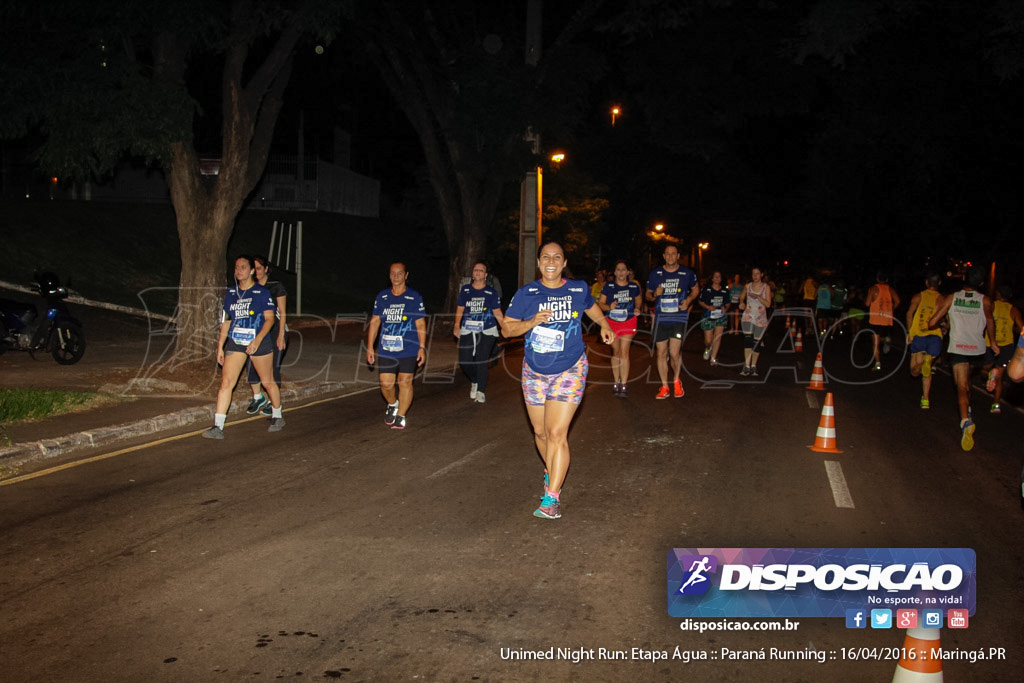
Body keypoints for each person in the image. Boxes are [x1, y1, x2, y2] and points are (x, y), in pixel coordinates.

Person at [502, 242, 615, 520]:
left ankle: (551, 498)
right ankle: (551, 469)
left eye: (557, 257)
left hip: (570, 368)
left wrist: (605, 325)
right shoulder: (527, 293)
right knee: (540, 433)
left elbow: (591, 309)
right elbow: (506, 328)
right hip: (535, 371)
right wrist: (531, 322)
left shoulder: (577, 289)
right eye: (545, 257)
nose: (551, 261)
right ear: (539, 263)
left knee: (556, 434)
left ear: (564, 263)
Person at [203, 255, 284, 439]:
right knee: (226, 383)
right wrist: (220, 348)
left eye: (243, 267)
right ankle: (218, 426)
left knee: (267, 382)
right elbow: (226, 322)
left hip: (259, 341)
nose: (239, 270)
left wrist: (257, 340)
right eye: (236, 267)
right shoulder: (231, 294)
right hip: (236, 342)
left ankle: (277, 415)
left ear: (252, 270)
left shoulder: (261, 293)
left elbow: (270, 320)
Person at [928, 267, 997, 452]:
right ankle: (991, 372)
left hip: (958, 347)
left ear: (964, 279)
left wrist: (944, 323)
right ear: (981, 283)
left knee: (961, 387)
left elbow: (932, 322)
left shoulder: (952, 298)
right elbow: (990, 321)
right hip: (977, 349)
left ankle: (965, 422)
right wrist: (995, 343)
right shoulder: (985, 301)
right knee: (968, 384)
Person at [366, 262, 427, 430]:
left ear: (406, 275)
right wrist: (370, 346)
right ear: (389, 275)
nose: (396, 276)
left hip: (409, 347)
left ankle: (400, 415)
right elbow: (375, 322)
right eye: (393, 273)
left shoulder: (414, 297)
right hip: (387, 348)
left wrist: (422, 347)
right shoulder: (383, 297)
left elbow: (421, 324)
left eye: (400, 273)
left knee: (405, 382)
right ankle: (393, 404)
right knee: (386, 384)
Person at [646, 245, 699, 398]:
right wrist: (655, 293)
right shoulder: (656, 273)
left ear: (678, 256)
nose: (670, 256)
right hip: (661, 318)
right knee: (661, 353)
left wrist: (688, 300)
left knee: (674, 353)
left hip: (678, 317)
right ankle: (664, 386)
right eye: (667, 254)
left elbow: (696, 289)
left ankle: (676, 380)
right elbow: (648, 295)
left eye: (673, 254)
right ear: (664, 256)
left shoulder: (686, 273)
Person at [453, 261, 505, 404]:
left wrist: (506, 328)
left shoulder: (491, 292)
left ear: (485, 275)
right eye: (476, 270)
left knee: (481, 360)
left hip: (487, 329)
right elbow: (460, 308)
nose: (478, 272)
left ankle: (481, 391)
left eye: (481, 270)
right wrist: (456, 326)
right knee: (464, 361)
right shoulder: (466, 290)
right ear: (472, 273)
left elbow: (497, 312)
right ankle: (475, 381)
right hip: (468, 328)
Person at [245, 256, 288, 417]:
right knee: (251, 363)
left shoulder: (275, 286)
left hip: (276, 330)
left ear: (266, 269)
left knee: (272, 367)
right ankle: (258, 398)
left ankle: (273, 402)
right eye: (253, 268)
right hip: (257, 331)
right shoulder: (251, 287)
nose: (256, 271)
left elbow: (282, 312)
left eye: (259, 268)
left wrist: (281, 335)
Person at [598, 259, 642, 396]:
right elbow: (600, 303)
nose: (621, 272)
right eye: (619, 270)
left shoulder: (634, 287)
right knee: (615, 352)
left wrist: (637, 308)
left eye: (624, 269)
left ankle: (624, 384)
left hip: (628, 321)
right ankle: (616, 381)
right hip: (612, 322)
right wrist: (609, 307)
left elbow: (639, 299)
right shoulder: (609, 286)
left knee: (624, 352)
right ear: (615, 272)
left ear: (628, 272)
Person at [905, 273, 943, 410]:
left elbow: (909, 313)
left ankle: (923, 362)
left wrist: (909, 332)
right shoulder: (942, 299)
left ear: (927, 283)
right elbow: (946, 320)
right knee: (927, 370)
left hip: (919, 335)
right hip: (935, 336)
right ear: (939, 283)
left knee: (914, 371)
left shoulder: (918, 296)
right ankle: (925, 399)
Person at [983, 285, 1022, 414]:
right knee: (1000, 375)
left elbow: (985, 320)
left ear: (999, 294)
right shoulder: (1013, 310)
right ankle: (996, 404)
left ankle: (990, 374)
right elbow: (1022, 328)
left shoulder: (992, 305)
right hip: (1006, 346)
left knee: (984, 369)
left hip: (990, 344)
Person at [739, 267, 772, 376]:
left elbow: (768, 304)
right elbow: (742, 296)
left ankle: (754, 366)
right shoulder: (748, 286)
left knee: (756, 343)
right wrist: (741, 302)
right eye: (753, 274)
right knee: (748, 340)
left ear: (762, 275)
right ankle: (747, 366)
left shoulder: (766, 287)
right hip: (748, 316)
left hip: (760, 318)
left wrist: (758, 297)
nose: (755, 276)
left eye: (757, 274)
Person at [864, 272, 901, 371]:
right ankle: (886, 340)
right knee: (882, 337)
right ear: (887, 280)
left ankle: (878, 364)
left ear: (877, 279)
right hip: (887, 319)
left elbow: (867, 303)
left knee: (875, 343)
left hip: (875, 319)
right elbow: (898, 301)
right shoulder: (891, 289)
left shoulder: (873, 289)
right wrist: (891, 309)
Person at [697, 270, 730, 366]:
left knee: (718, 337)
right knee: (708, 340)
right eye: (715, 276)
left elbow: (728, 303)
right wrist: (708, 307)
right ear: (712, 278)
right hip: (708, 316)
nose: (717, 278)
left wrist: (726, 308)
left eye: (719, 277)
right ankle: (708, 348)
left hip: (720, 317)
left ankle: (713, 358)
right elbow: (700, 301)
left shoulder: (724, 291)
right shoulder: (706, 290)